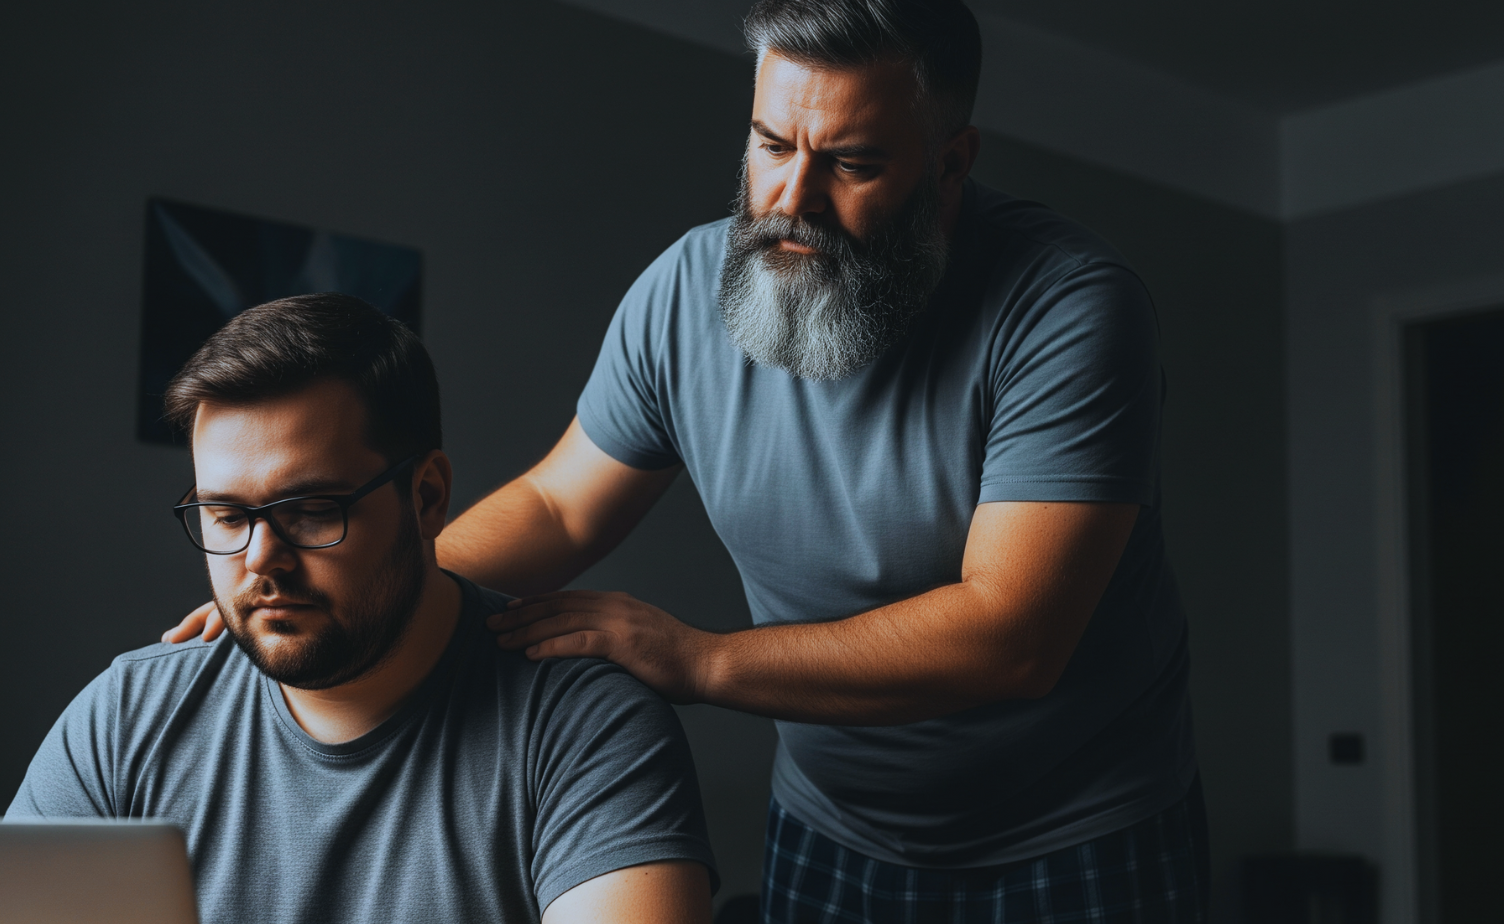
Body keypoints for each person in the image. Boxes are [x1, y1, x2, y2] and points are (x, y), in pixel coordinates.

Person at [169, 2, 1208, 920]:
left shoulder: (1070, 309)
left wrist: (702, 662)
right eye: (771, 144)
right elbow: (561, 509)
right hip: (833, 826)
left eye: (851, 164)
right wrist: (348, 581)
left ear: (950, 163)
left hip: (1076, 827)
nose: (792, 197)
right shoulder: (681, 293)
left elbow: (1011, 636)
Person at [13, 295, 717, 923]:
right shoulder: (126, 720)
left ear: (427, 498)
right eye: (227, 516)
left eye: (312, 510)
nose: (261, 560)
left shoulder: (586, 727)